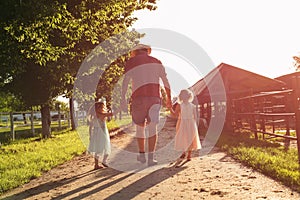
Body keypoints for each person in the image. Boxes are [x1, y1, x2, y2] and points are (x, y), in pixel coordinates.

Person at [121, 44, 172, 166]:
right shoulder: (157, 62)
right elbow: (165, 81)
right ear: (147, 51)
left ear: (135, 52)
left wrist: (123, 98)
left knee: (140, 127)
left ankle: (142, 155)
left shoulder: (131, 62)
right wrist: (169, 98)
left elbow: (126, 81)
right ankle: (151, 158)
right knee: (152, 127)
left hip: (138, 97)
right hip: (154, 98)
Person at [170, 89, 201, 161]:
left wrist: (170, 109)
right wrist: (195, 125)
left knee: (183, 137)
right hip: (190, 123)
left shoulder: (180, 106)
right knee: (189, 138)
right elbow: (195, 117)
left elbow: (174, 115)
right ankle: (188, 155)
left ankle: (185, 152)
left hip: (182, 123)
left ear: (180, 97)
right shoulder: (192, 106)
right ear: (189, 96)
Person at [87, 99, 113, 169]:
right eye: (101, 107)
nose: (103, 108)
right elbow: (111, 114)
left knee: (98, 149)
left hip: (96, 133)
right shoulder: (101, 115)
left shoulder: (94, 116)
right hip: (102, 134)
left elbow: (90, 127)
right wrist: (120, 108)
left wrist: (90, 135)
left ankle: (96, 165)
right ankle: (103, 161)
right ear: (97, 109)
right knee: (105, 147)